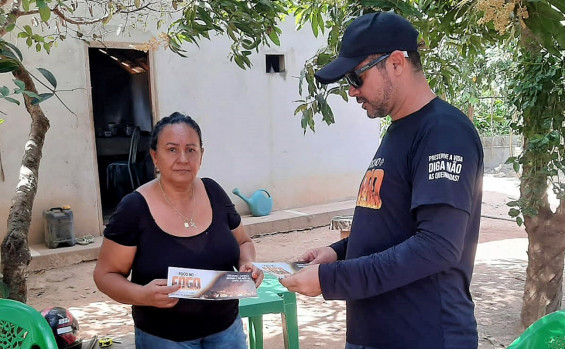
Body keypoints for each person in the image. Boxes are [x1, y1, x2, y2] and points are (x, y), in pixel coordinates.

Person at [280, 12, 484, 349]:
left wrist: (332, 279)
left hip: (424, 336)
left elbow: (437, 246)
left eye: (356, 76)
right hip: (377, 334)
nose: (351, 91)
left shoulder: (444, 133)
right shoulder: (400, 130)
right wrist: (337, 253)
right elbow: (392, 227)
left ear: (397, 63)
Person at [93, 112, 263, 348]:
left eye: (191, 149)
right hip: (164, 338)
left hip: (227, 330)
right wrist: (142, 295)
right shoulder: (134, 208)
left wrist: (248, 265)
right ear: (155, 156)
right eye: (172, 149)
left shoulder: (214, 192)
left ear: (201, 155)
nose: (183, 158)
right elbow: (105, 275)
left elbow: (244, 242)